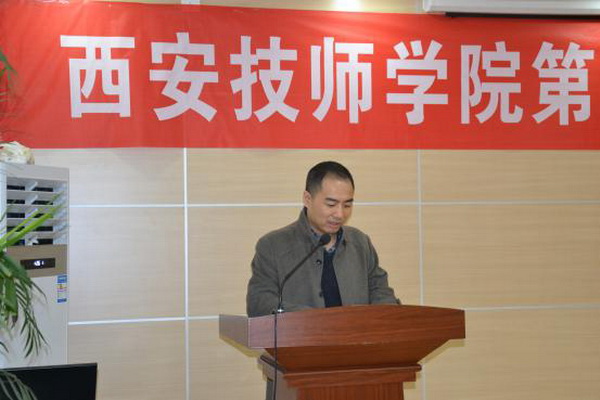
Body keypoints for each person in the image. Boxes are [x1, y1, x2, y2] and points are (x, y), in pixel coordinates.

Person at [246, 161, 399, 317]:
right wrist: (317, 321)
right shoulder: (272, 246)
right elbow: (260, 303)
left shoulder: (361, 242)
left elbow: (381, 292)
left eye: (347, 205)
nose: (340, 214)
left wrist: (388, 314)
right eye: (331, 204)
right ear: (307, 199)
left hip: (357, 333)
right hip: (301, 333)